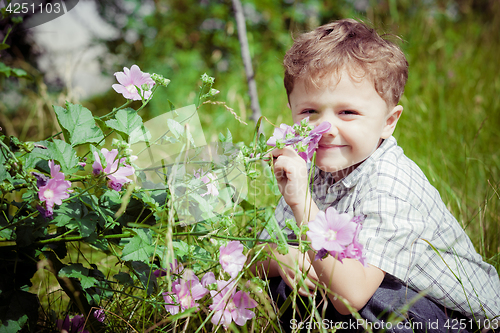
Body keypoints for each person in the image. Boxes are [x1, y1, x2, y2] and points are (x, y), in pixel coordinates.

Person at [253, 18, 500, 332]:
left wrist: (302, 203)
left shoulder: (391, 180)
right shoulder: (307, 172)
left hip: (455, 319)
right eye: (309, 112)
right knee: (289, 285)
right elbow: (256, 256)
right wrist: (284, 256)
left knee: (372, 303)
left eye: (348, 112)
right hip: (368, 289)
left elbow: (351, 296)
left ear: (388, 121)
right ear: (291, 110)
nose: (325, 128)